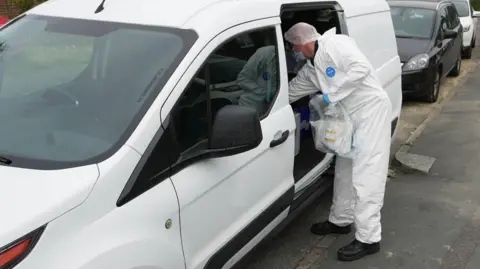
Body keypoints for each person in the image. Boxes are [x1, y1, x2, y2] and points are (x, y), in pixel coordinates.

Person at [284, 22, 392, 262]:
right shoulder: (312, 68)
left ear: (303, 43)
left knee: (367, 175)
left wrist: (329, 96)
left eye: (294, 47)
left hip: (370, 112)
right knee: (344, 170)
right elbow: (292, 91)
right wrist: (269, 106)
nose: (294, 52)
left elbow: (360, 69)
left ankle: (368, 238)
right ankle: (341, 220)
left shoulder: (337, 44)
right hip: (348, 119)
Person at [236, 45, 278, 116]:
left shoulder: (295, 59)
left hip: (273, 107)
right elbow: (242, 78)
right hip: (251, 106)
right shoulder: (265, 53)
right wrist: (263, 92)